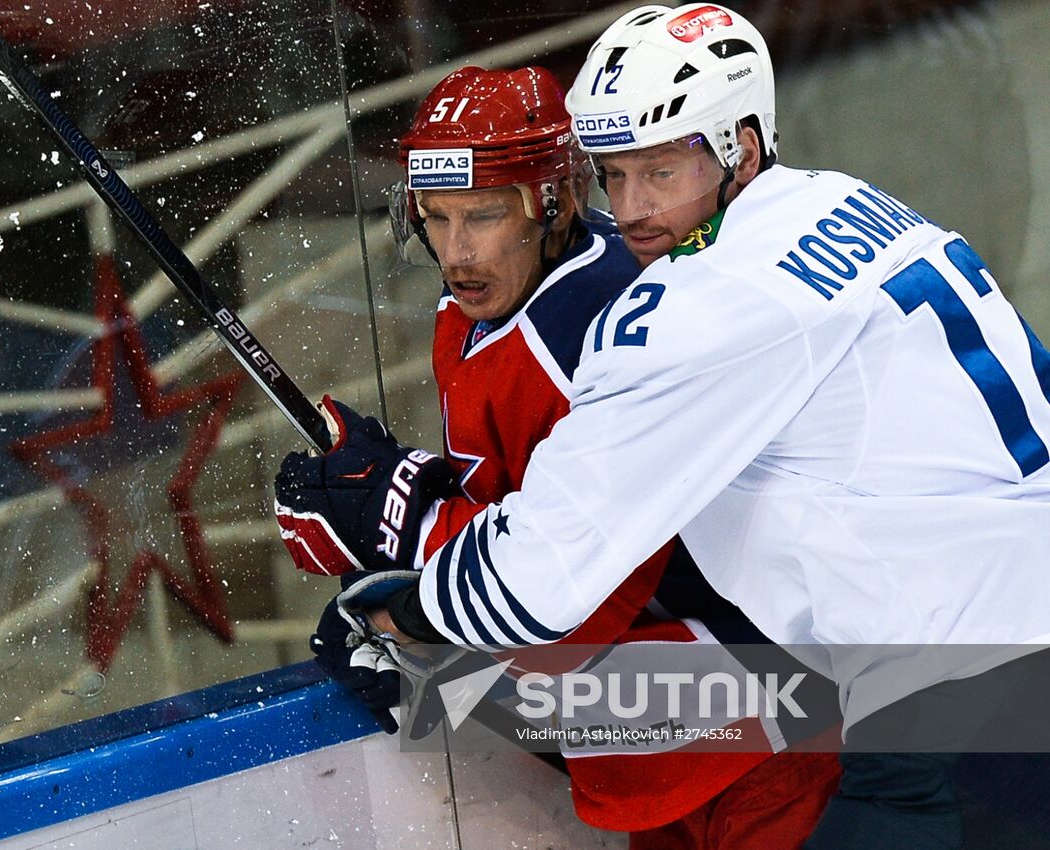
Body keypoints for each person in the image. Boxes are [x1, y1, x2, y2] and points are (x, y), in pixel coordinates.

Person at [273, 4, 1050, 847]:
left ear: (742, 149)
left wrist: (404, 609)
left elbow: (543, 581)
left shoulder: (701, 306)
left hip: (955, 698)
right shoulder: (850, 202)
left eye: (662, 172)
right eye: (615, 173)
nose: (635, 209)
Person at [278, 64, 839, 848]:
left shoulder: (598, 339)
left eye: (481, 216)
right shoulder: (494, 296)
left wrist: (403, 538)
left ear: (557, 203)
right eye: (435, 218)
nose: (455, 252)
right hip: (687, 728)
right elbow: (524, 515)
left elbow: (566, 611)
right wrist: (389, 507)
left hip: (765, 726)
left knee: (399, 655)